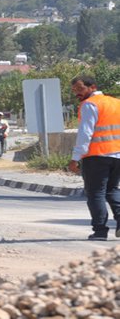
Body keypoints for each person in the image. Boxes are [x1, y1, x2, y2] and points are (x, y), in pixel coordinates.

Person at [67, 76, 120, 241]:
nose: (77, 93)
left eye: (80, 89)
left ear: (92, 87)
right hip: (117, 155)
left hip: (97, 156)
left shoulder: (90, 105)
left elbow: (85, 134)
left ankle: (100, 231)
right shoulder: (115, 102)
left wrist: (75, 158)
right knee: (112, 190)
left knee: (95, 193)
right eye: (75, 90)